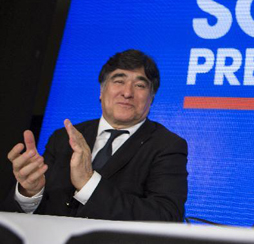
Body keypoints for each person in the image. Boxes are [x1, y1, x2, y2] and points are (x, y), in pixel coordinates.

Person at [3, 49, 188, 221]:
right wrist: (29, 193)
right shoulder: (63, 138)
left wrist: (88, 183)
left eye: (140, 85)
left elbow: (167, 216)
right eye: (118, 81)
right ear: (101, 90)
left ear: (152, 97)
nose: (127, 93)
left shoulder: (167, 146)